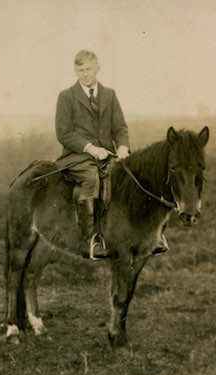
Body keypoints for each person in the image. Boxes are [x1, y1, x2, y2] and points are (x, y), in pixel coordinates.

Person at [55, 50, 130, 259]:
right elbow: (64, 133)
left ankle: (135, 235)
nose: (85, 74)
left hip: (107, 154)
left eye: (88, 69)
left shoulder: (110, 95)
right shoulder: (66, 97)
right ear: (75, 71)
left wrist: (123, 148)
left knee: (130, 178)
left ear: (97, 67)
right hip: (77, 157)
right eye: (80, 70)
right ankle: (90, 241)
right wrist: (90, 148)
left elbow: (120, 127)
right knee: (91, 179)